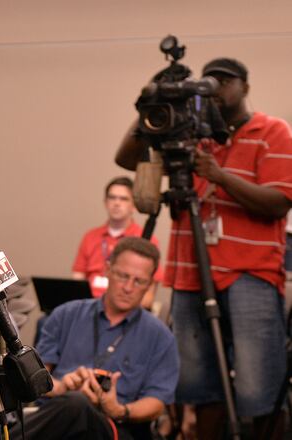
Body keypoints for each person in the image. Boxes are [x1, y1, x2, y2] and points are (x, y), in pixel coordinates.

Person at [116, 57, 292, 439]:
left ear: (245, 86)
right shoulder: (192, 134)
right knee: (196, 384)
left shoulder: (273, 131)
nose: (215, 85)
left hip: (251, 274)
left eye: (225, 80)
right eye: (208, 80)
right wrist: (150, 102)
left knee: (257, 385)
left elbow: (279, 202)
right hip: (190, 274)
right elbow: (125, 158)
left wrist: (218, 175)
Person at [14, 237, 179, 440]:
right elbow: (38, 380)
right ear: (107, 270)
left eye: (139, 281)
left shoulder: (160, 337)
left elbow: (156, 402)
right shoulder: (65, 315)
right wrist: (62, 388)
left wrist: (118, 409)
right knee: (73, 404)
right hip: (58, 416)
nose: (128, 287)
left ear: (150, 285)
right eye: (122, 276)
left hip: (115, 427)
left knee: (78, 406)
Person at [72, 176, 163, 309]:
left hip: (123, 308)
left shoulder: (146, 240)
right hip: (88, 306)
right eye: (112, 198)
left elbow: (148, 296)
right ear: (105, 202)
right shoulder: (90, 236)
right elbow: (77, 280)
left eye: (123, 199)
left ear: (133, 205)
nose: (116, 203)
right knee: (47, 321)